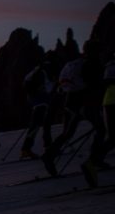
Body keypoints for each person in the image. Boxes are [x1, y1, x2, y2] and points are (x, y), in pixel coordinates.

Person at [42, 41, 106, 178]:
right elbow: (94, 85)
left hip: (70, 102)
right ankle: (95, 159)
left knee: (68, 133)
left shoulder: (73, 64)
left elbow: (62, 85)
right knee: (101, 128)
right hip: (85, 102)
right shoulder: (92, 64)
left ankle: (49, 156)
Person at [81, 52, 115, 187]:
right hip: (112, 102)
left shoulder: (108, 65)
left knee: (113, 138)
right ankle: (92, 162)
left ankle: (91, 162)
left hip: (108, 102)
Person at [19, 55, 55, 160]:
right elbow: (48, 89)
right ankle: (26, 149)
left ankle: (48, 146)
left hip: (34, 101)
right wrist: (54, 83)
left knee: (45, 123)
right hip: (42, 101)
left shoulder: (33, 71)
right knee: (37, 125)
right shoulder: (44, 72)